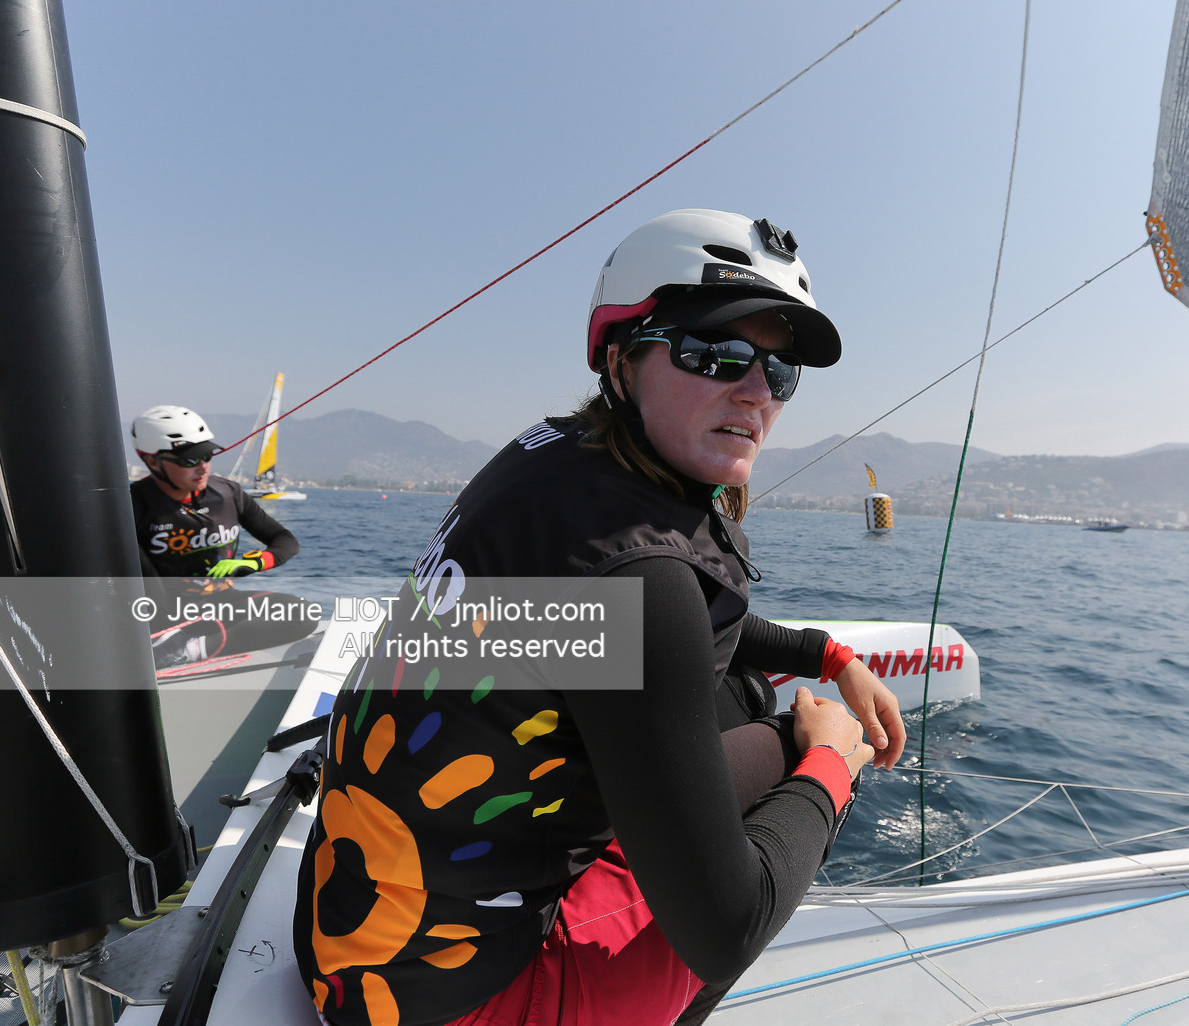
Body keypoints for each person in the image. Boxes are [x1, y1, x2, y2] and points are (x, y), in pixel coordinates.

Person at [294, 209, 905, 1026]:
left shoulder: (553, 458)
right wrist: (833, 762)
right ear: (622, 359)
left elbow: (660, 628)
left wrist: (827, 655)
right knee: (815, 757)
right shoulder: (643, 578)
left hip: (352, 940)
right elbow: (726, 932)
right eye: (716, 354)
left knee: (747, 693)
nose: (757, 392)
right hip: (451, 1005)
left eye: (779, 372)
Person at [130, 405, 316, 667]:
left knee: (303, 613)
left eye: (207, 455)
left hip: (217, 606)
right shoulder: (131, 504)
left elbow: (285, 541)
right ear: (151, 460)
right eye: (189, 460)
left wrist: (254, 562)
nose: (203, 467)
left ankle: (187, 650)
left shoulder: (229, 493)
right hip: (158, 614)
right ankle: (165, 642)